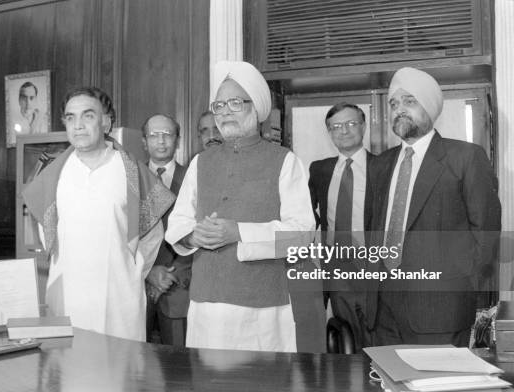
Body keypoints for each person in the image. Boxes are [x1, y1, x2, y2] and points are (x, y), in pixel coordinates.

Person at [165, 60, 315, 352]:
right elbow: (179, 221)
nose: (225, 113)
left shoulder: (285, 160)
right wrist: (193, 236)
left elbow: (302, 235)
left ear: (256, 108)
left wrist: (239, 232)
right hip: (206, 304)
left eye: (235, 103)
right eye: (219, 106)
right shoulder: (200, 162)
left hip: (262, 308)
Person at [22, 87, 174, 341]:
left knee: (117, 376)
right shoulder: (53, 175)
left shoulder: (131, 172)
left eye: (88, 116)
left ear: (106, 122)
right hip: (68, 299)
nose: (78, 125)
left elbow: (152, 234)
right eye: (70, 118)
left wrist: (132, 271)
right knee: (69, 374)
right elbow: (45, 233)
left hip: (117, 301)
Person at [369, 67, 501, 346]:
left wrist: (462, 293)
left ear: (429, 106)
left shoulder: (465, 158)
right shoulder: (380, 164)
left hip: (441, 311)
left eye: (409, 101)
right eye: (393, 103)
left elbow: (486, 234)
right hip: (384, 311)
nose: (399, 109)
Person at [308, 102, 374, 352]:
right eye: (335, 127)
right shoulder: (320, 169)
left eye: (350, 124)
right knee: (345, 339)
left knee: (376, 338)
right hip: (336, 269)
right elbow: (306, 215)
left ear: (363, 126)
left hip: (372, 267)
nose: (343, 131)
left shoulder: (383, 166)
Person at [142, 114, 192, 346]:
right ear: (144, 141)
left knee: (179, 371)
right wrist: (148, 272)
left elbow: (200, 231)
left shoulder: (194, 178)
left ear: (178, 140)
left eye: (167, 134)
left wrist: (170, 276)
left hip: (177, 286)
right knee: (132, 365)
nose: (161, 141)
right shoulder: (129, 179)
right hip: (137, 287)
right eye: (154, 135)